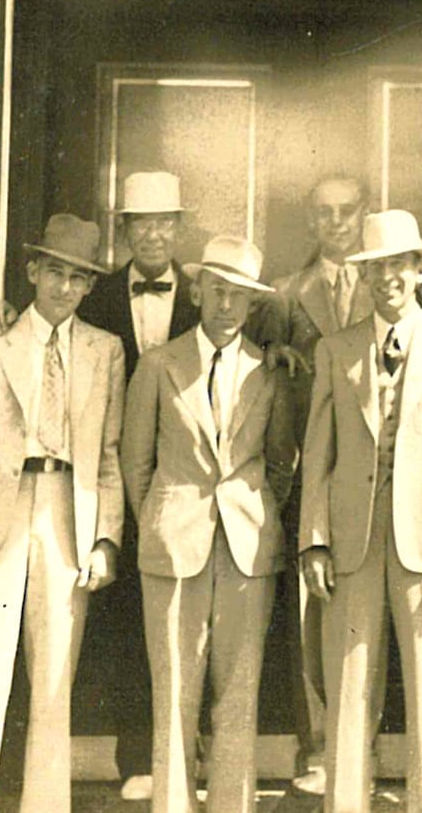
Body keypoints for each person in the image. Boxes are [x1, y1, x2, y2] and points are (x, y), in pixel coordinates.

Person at [0, 168, 198, 802]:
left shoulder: (202, 296)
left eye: (164, 223)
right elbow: (35, 328)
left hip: (182, 478)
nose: (153, 235)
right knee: (104, 621)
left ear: (177, 229)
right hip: (99, 480)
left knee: (174, 623)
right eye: (141, 224)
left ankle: (171, 762)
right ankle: (117, 761)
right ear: (125, 231)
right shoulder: (92, 297)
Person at [0, 213, 126, 813]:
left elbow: (108, 455)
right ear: (33, 271)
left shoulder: (105, 351)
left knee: (53, 682)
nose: (65, 287)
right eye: (55, 272)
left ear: (89, 287)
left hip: (67, 515)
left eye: (78, 278)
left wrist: (106, 539)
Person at [300, 210, 422, 813]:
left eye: (399, 265)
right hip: (352, 538)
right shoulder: (336, 350)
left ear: (421, 270)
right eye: (376, 267)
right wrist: (314, 540)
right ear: (363, 275)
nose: (388, 278)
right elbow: (319, 453)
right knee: (350, 682)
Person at [121, 234, 297, 813]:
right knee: (174, 688)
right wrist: (163, 516)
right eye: (217, 290)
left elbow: (281, 462)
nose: (226, 304)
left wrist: (252, 511)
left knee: (239, 692)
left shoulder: (268, 370)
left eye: (238, 295)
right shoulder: (158, 364)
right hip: (174, 544)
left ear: (252, 304)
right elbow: (135, 461)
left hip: (246, 547)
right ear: (197, 292)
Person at [246, 173, 375, 797]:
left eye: (347, 210)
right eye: (324, 212)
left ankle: (362, 747)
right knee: (310, 615)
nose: (337, 222)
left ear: (363, 214)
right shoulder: (284, 294)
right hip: (308, 472)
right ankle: (318, 746)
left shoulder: (386, 284)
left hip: (371, 474)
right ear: (310, 220)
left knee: (369, 613)